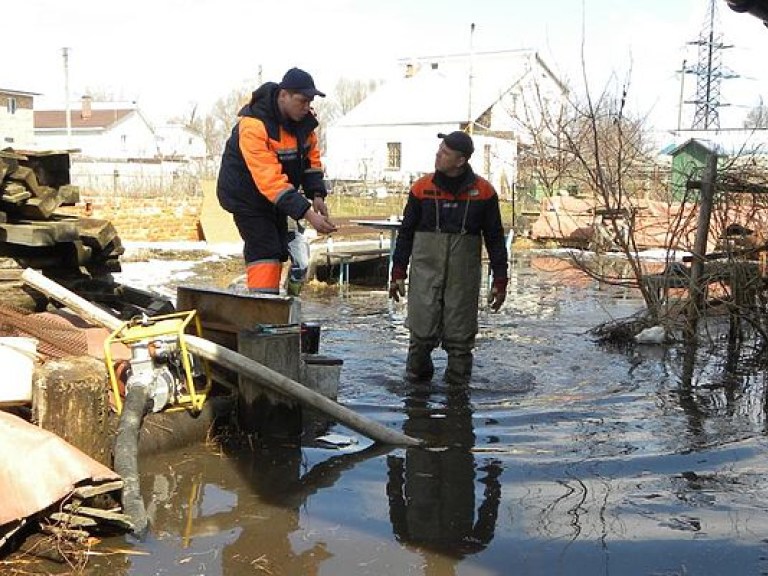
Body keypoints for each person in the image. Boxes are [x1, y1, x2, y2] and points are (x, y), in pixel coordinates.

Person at [388, 131, 508, 384]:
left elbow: (495, 239)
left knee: (460, 340)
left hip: (463, 278)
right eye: (439, 149)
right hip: (425, 273)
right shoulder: (421, 189)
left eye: (444, 152)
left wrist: (500, 280)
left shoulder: (484, 192)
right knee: (420, 336)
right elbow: (406, 233)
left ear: (460, 160)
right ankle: (416, 394)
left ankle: (458, 399)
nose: (437, 155)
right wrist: (398, 271)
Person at [217, 67, 337, 294]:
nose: (307, 107)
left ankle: (282, 304)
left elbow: (311, 160)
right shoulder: (254, 125)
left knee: (284, 249)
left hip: (276, 197)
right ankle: (264, 308)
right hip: (246, 195)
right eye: (302, 101)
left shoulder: (305, 124)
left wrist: (317, 195)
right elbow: (269, 180)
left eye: (310, 101)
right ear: (283, 96)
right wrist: (308, 214)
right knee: (265, 249)